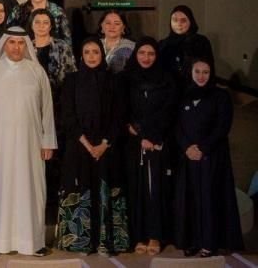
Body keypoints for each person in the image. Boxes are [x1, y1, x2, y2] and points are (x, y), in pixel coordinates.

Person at [0, 27, 57, 257]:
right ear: (4, 44)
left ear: (26, 45)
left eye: (21, 43)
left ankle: (33, 242)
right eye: (12, 42)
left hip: (31, 144)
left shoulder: (36, 71)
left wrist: (47, 141)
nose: (16, 47)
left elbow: (47, 109)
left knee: (31, 189)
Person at [56, 38, 129, 255]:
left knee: (105, 192)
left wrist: (104, 144)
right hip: (79, 146)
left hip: (107, 148)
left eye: (95, 52)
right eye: (87, 52)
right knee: (80, 189)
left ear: (102, 55)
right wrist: (88, 145)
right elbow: (67, 115)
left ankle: (106, 241)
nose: (91, 56)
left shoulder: (114, 81)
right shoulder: (71, 81)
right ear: (81, 55)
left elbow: (119, 116)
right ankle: (80, 242)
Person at [173, 58, 243, 257]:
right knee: (191, 199)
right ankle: (193, 241)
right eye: (197, 71)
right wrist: (187, 147)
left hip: (212, 156)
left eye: (205, 72)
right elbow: (176, 125)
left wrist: (202, 148)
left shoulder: (220, 96)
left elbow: (222, 126)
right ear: (191, 72)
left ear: (211, 74)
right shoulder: (183, 95)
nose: (201, 76)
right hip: (188, 157)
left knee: (209, 198)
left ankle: (209, 243)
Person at [123, 37, 176, 255]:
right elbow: (123, 110)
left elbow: (169, 111)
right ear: (135, 54)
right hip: (134, 142)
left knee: (155, 190)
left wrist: (152, 137)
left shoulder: (167, 79)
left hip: (157, 143)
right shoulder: (126, 78)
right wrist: (139, 135)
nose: (146, 58)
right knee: (136, 190)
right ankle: (139, 235)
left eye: (151, 53)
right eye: (142, 53)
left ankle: (155, 235)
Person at [158, 5, 215, 79]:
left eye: (183, 21)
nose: (179, 24)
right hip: (169, 85)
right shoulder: (163, 44)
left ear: (190, 21)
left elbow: (208, 68)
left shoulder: (200, 42)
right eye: (175, 20)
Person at [29, 8, 77, 92]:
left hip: (59, 94)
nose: (41, 26)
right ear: (31, 26)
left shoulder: (62, 46)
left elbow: (71, 73)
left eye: (45, 22)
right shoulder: (27, 47)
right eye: (37, 22)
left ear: (51, 26)